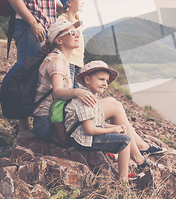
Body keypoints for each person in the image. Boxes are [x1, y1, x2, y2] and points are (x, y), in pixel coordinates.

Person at [32, 20, 165, 171]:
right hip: (48, 123)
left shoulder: (60, 59)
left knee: (112, 101)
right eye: (72, 33)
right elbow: (57, 92)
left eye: (77, 32)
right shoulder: (56, 60)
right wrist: (78, 92)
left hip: (55, 118)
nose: (77, 35)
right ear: (59, 40)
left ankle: (138, 147)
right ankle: (139, 157)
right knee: (114, 106)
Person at [5, 0, 62, 133]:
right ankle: (23, 126)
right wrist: (33, 23)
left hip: (47, 29)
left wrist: (64, 10)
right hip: (30, 27)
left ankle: (42, 120)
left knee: (43, 76)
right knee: (28, 75)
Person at [65, 61, 132, 182]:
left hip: (84, 136)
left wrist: (115, 127)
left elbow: (97, 122)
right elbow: (89, 129)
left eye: (106, 81)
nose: (105, 84)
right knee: (125, 140)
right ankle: (123, 180)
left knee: (120, 133)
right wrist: (112, 129)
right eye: (101, 79)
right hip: (82, 140)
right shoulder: (86, 100)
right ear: (87, 80)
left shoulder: (93, 97)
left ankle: (118, 165)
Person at [57, 0, 86, 88]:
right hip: (69, 62)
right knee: (70, 90)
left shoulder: (77, 20)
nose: (83, 2)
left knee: (77, 90)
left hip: (78, 62)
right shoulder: (63, 20)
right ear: (69, 2)